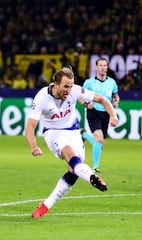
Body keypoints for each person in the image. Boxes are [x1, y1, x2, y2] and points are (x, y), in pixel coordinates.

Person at [25, 66, 118, 218]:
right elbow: (30, 126)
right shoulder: (42, 97)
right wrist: (33, 146)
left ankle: (46, 205)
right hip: (53, 133)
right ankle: (91, 177)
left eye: (70, 86)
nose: (68, 90)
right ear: (55, 84)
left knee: (74, 169)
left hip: (73, 131)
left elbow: (101, 99)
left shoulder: (75, 90)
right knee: (70, 154)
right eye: (65, 86)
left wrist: (112, 115)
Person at [79, 58, 120, 173]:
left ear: (107, 67)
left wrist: (116, 101)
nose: (102, 68)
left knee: (100, 145)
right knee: (99, 139)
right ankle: (95, 166)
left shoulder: (112, 82)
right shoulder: (89, 83)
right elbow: (80, 96)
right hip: (94, 113)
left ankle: (85, 135)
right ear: (96, 68)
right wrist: (87, 104)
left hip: (106, 113)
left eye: (105, 65)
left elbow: (115, 95)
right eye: (100, 65)